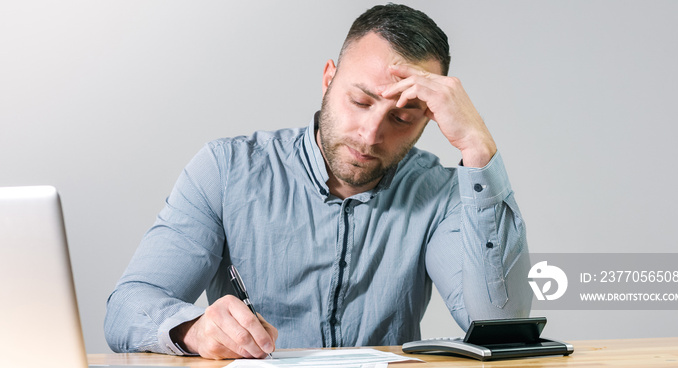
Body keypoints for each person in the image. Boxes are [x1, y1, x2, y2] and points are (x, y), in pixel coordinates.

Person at [105, 3, 532, 360]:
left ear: (428, 121)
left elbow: (500, 324)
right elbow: (127, 309)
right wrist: (193, 329)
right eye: (360, 100)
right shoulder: (225, 169)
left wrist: (478, 149)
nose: (370, 134)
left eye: (402, 118)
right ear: (328, 79)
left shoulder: (442, 193)